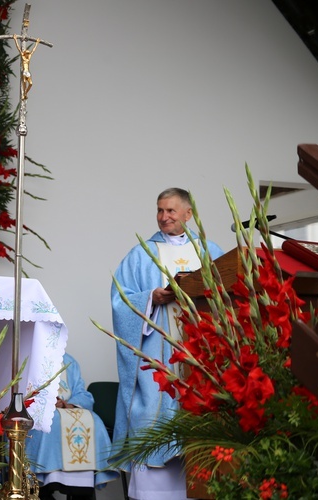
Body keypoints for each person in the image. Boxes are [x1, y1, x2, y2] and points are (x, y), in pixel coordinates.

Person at [110, 188, 224, 500]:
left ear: (189, 214)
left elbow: (231, 295)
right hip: (157, 357)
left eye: (171, 211)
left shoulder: (211, 252)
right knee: (151, 418)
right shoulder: (141, 254)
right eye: (160, 211)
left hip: (199, 357)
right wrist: (151, 298)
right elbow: (120, 301)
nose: (164, 217)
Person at [26, 353, 117, 500]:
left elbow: (81, 394)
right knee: (51, 421)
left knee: (93, 420)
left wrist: (67, 404)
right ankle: (42, 488)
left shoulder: (68, 360)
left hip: (67, 409)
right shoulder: (28, 355)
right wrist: (45, 402)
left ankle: (83, 489)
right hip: (38, 413)